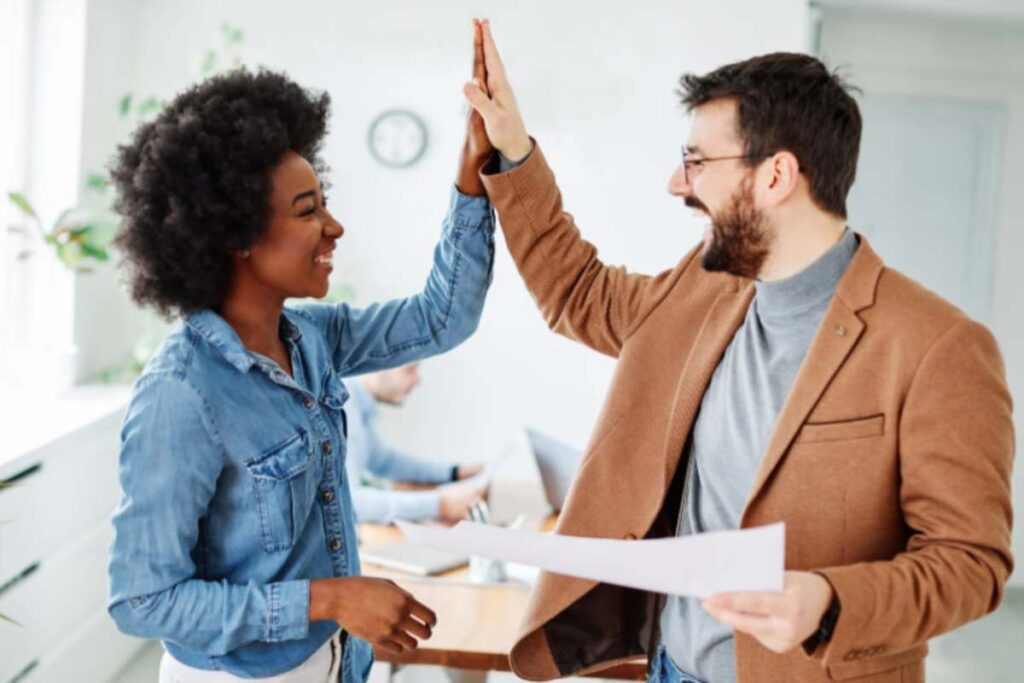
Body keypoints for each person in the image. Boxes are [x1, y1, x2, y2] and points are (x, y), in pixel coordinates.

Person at [461, 19, 1015, 683]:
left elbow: (969, 562)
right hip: (670, 667)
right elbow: (578, 291)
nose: (677, 182)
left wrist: (830, 599)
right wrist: (515, 149)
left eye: (697, 160)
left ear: (777, 174)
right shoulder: (702, 289)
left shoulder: (938, 346)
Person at [107, 21, 497, 682]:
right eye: (308, 209)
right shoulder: (182, 391)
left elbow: (441, 317)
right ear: (237, 235)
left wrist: (472, 179)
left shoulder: (313, 337)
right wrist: (331, 598)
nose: (334, 226)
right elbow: (143, 600)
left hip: (334, 662)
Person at [345, 363, 486, 525]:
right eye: (410, 370)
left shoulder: (357, 408)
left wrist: (454, 472)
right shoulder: (345, 408)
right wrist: (439, 504)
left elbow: (386, 462)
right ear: (379, 365)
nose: (417, 381)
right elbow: (351, 502)